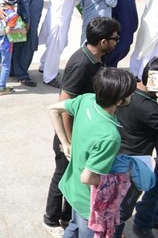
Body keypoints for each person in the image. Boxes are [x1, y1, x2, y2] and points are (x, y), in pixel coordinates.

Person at [41, 17, 121, 236]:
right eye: (115, 39)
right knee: (63, 173)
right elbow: (64, 105)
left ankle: (68, 217)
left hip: (80, 131)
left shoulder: (95, 59)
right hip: (71, 134)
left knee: (76, 177)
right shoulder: (82, 63)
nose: (117, 42)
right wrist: (68, 142)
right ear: (103, 42)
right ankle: (51, 218)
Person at [48, 68, 135, 238]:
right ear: (119, 100)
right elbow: (87, 178)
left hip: (72, 188)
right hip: (88, 203)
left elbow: (52, 109)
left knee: (73, 226)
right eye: (130, 93)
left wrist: (66, 143)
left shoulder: (87, 100)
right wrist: (119, 179)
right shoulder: (110, 136)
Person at [113, 57, 158, 238]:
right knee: (121, 211)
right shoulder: (151, 110)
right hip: (133, 167)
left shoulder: (128, 89)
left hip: (118, 157)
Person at [38, 0, 86, 88]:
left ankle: (43, 64)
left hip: (61, 15)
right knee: (56, 45)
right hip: (59, 18)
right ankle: (49, 76)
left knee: (60, 44)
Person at [12, 0, 44, 87]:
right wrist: (26, 22)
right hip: (27, 21)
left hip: (32, 19)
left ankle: (15, 70)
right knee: (26, 48)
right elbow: (23, 1)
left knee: (22, 47)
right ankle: (22, 75)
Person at [130, 0, 158, 78]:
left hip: (148, 25)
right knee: (150, 55)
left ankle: (137, 75)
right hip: (154, 29)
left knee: (142, 52)